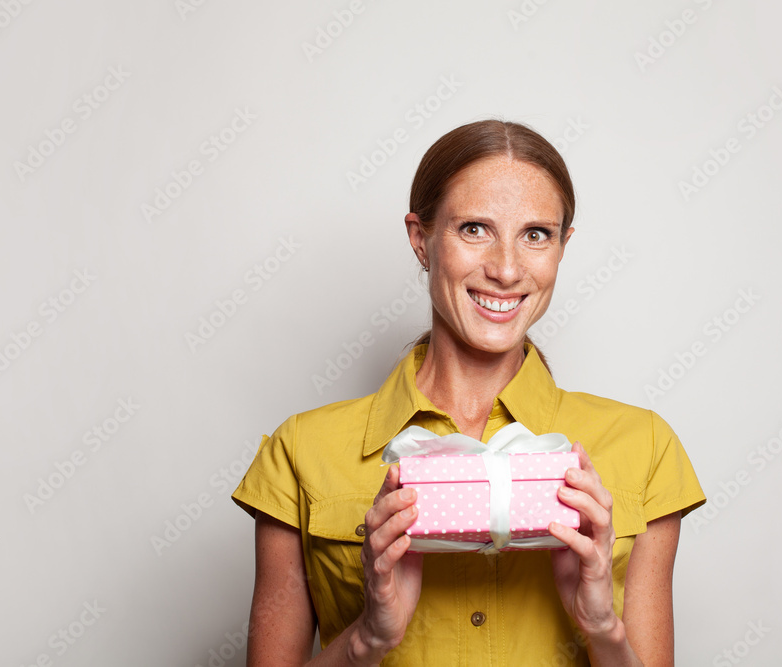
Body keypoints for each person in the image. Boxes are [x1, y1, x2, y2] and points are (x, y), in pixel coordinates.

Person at [231, 119, 706, 666]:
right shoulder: (301, 451)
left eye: (536, 235)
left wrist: (602, 627)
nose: (506, 269)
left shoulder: (645, 447)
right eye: (475, 229)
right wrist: (369, 638)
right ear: (421, 239)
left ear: (562, 246)